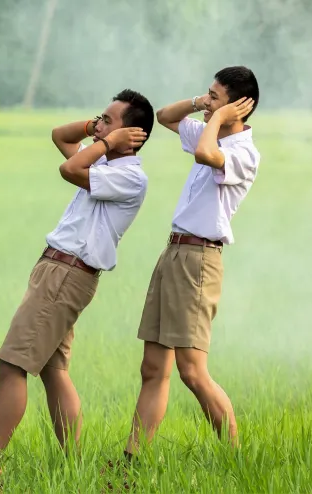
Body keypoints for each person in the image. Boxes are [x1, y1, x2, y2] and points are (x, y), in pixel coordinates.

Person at [0, 89, 154, 456]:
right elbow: (60, 136)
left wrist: (107, 141)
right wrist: (97, 128)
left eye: (108, 120)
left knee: (13, 364)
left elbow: (69, 169)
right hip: (60, 270)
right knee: (52, 369)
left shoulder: (129, 177)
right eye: (100, 118)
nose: (98, 126)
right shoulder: (105, 164)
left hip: (66, 273)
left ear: (131, 135)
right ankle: (73, 463)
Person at [123, 66, 260, 461]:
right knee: (153, 368)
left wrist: (218, 117)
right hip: (174, 253)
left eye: (215, 96)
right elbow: (165, 117)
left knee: (192, 371)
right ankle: (133, 461)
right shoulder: (209, 129)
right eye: (208, 94)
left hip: (200, 259)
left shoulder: (243, 153)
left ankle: (234, 460)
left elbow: (205, 153)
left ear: (237, 107)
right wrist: (205, 105)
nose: (207, 102)